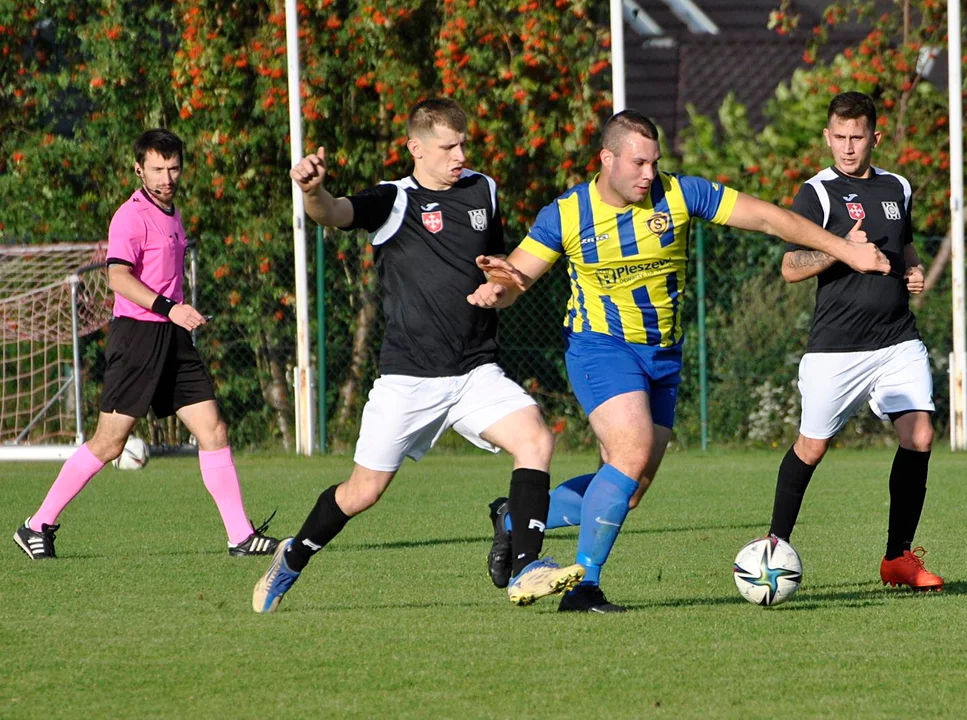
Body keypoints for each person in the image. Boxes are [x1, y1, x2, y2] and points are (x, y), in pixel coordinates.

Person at [469, 108, 891, 612]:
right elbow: (516, 280)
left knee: (629, 491)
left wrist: (841, 248)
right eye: (639, 163)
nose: (650, 174)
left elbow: (767, 217)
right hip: (599, 346)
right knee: (629, 452)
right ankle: (584, 588)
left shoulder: (680, 194)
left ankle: (515, 517)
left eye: (655, 163)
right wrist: (497, 292)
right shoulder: (567, 213)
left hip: (663, 356)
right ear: (607, 159)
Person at [252, 98, 584, 613]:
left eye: (463, 144)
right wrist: (313, 191)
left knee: (537, 440)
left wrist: (498, 281)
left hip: (475, 370)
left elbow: (497, 265)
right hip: (409, 379)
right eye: (448, 146)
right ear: (416, 148)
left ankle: (528, 566)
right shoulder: (393, 200)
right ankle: (292, 556)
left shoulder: (483, 189)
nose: (459, 155)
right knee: (362, 492)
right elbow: (335, 212)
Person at [13, 129, 279, 560]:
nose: (166, 177)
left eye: (173, 168)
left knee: (213, 430)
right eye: (156, 169)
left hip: (172, 338)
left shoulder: (172, 212)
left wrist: (176, 312)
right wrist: (169, 307)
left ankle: (240, 536)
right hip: (137, 338)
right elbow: (118, 277)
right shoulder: (130, 217)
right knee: (109, 443)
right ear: (139, 169)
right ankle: (36, 524)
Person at [764, 91, 942, 590]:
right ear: (827, 136)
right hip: (836, 347)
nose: (847, 147)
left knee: (920, 435)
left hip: (896, 339)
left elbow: (903, 240)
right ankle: (773, 550)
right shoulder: (815, 193)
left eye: (856, 137)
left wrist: (914, 267)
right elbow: (790, 267)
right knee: (811, 447)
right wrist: (842, 251)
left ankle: (898, 558)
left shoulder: (897, 186)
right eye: (838, 137)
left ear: (874, 138)